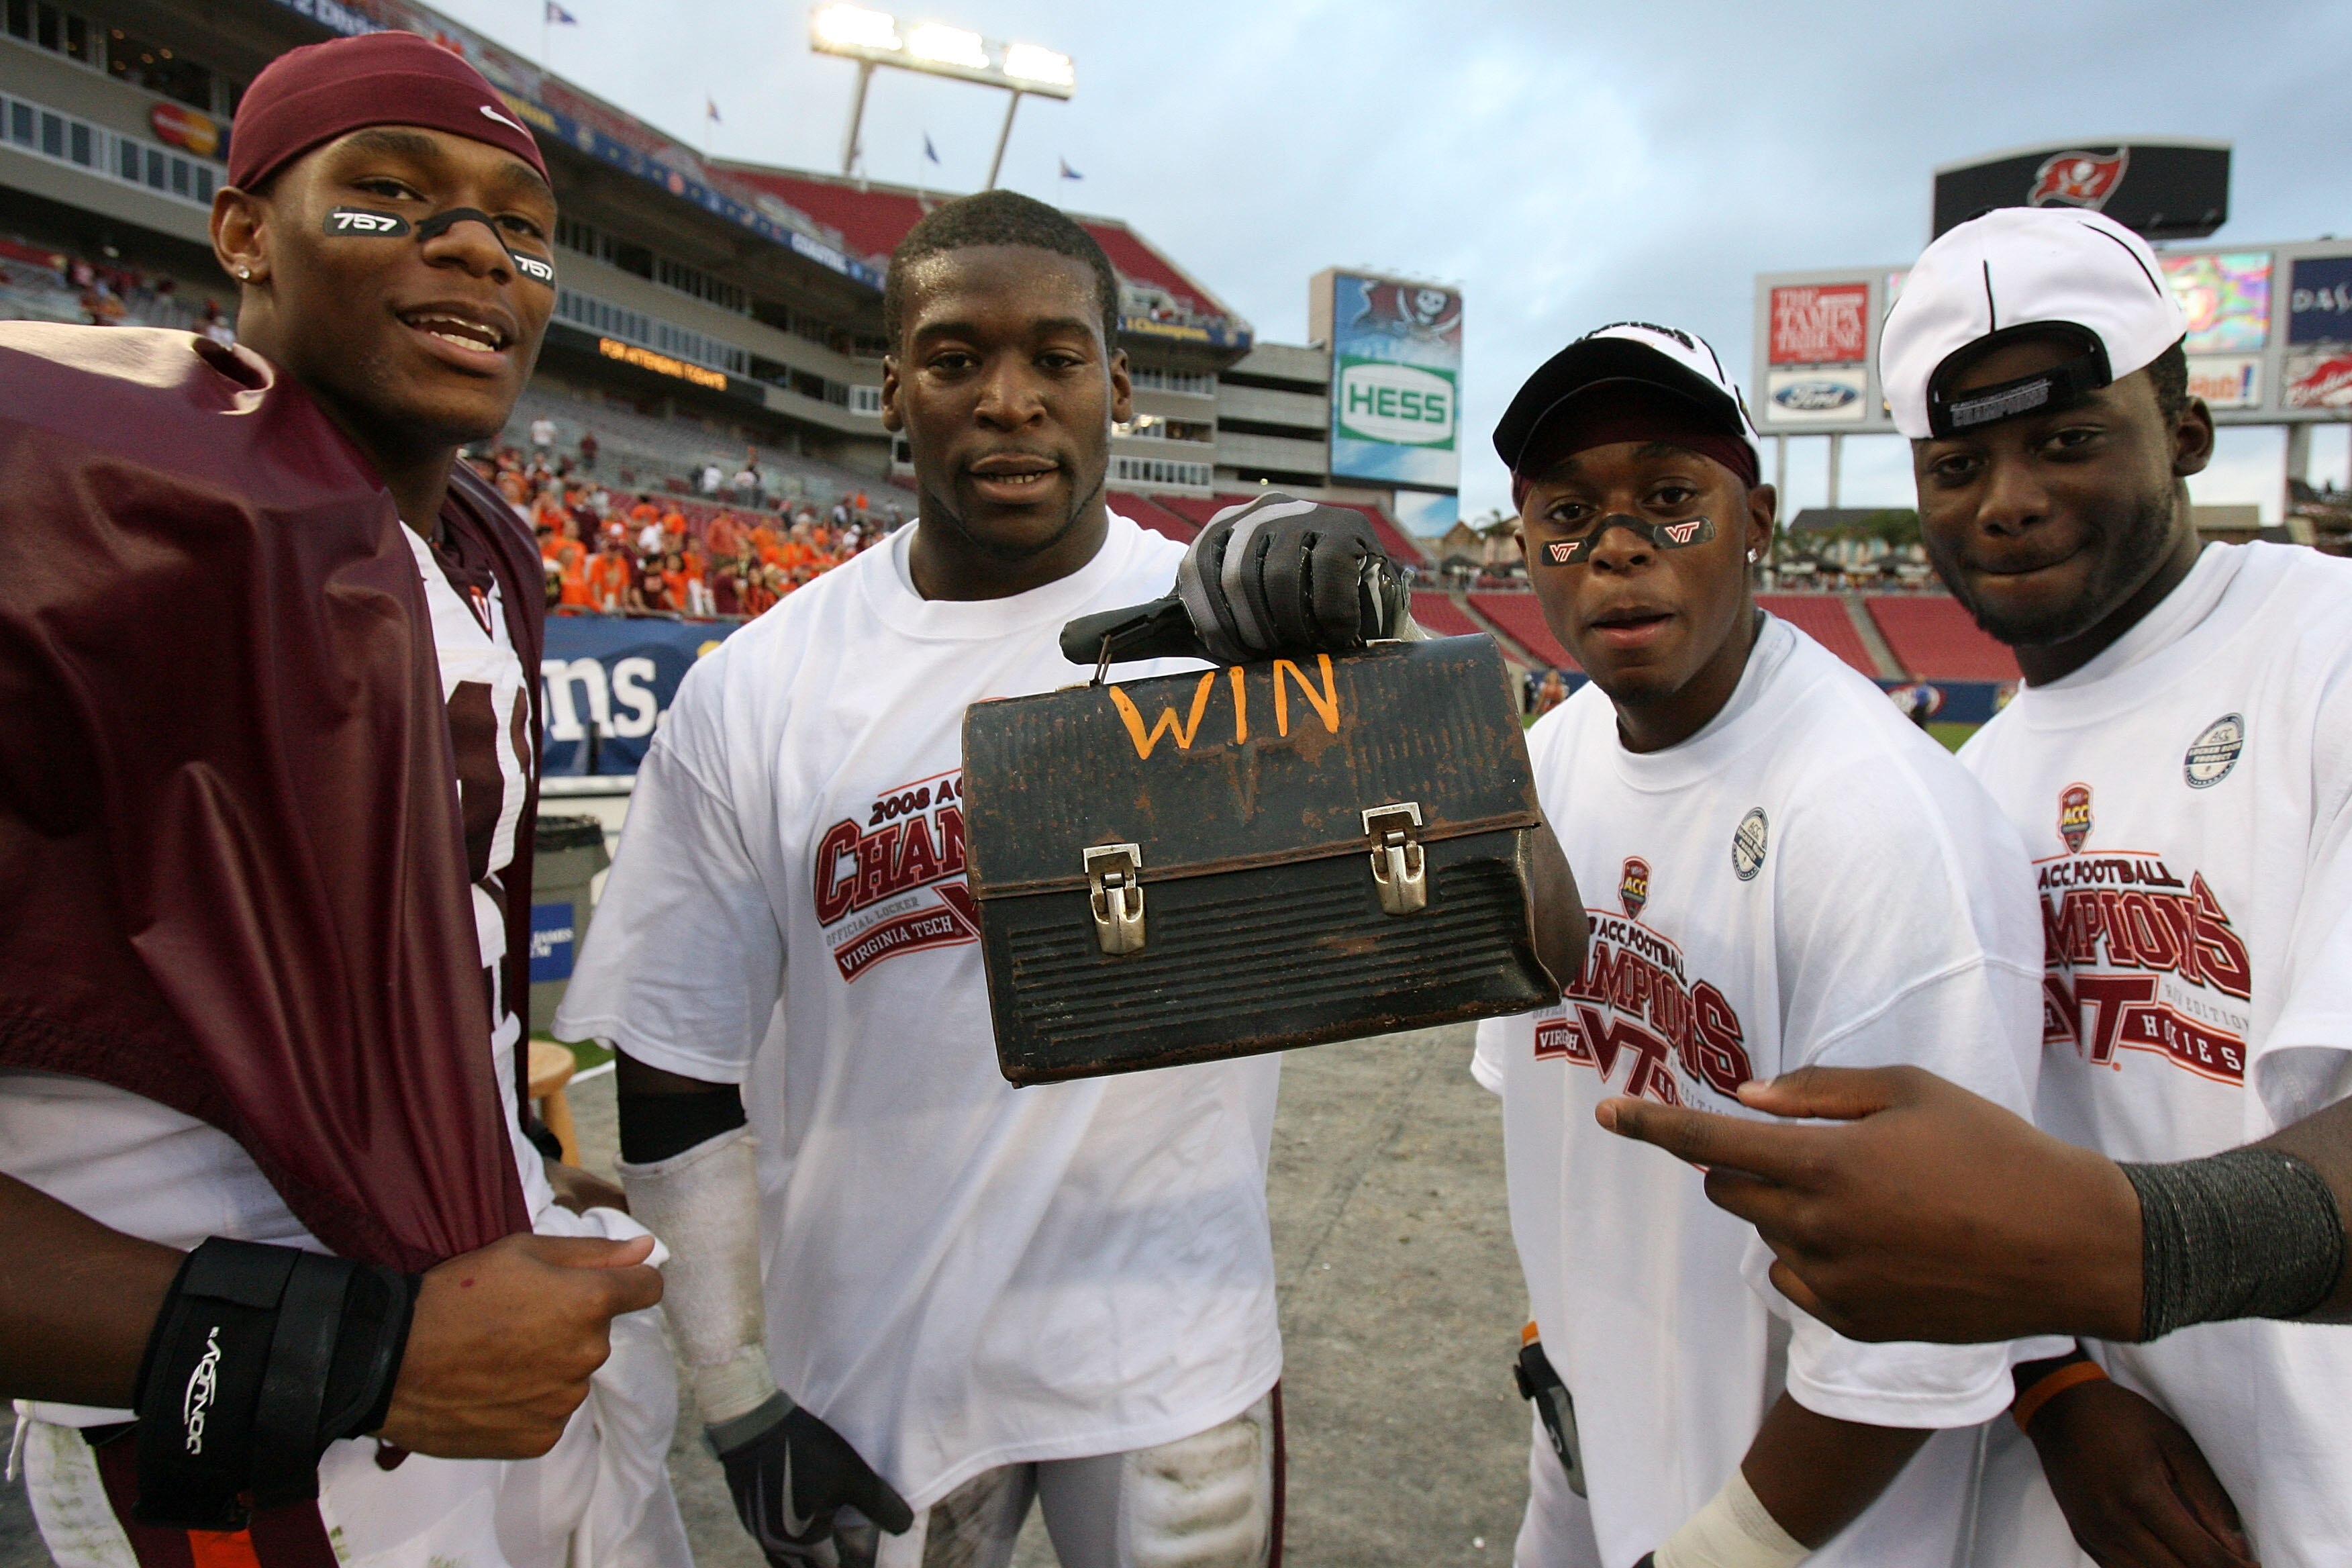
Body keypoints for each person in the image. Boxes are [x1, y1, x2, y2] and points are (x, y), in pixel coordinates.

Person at [554, 189, 1406, 1568]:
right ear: (893, 385)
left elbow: (1456, 916)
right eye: (956, 358)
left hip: (1166, 1347)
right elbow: (672, 1060)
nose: (1008, 399)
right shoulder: (760, 686)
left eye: (1055, 359)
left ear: (1117, 387)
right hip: (874, 1357)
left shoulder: (1239, 624)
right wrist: (734, 1392)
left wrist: (1376, 656)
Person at [0, 30, 687, 1568]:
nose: (473, 247)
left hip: (495, 1342)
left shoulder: (485, 554)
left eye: (522, 225)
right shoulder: (70, 488)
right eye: (388, 195)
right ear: (244, 229)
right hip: (235, 1441)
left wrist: (499, 1128)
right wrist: (355, 1344)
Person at [1600, 208, 2352, 1567]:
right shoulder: (1970, 780)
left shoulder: (2328, 656)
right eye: (1958, 462)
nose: (2006, 496)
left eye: (2068, 439)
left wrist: (2135, 1249)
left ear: (2184, 432)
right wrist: (2062, 1385)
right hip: (2056, 1508)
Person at [1477, 323, 2047, 1568]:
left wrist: (1717, 1550)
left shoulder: (1880, 821)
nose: (1618, 545)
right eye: (1569, 513)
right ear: (1525, 550)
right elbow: (1555, 1117)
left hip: (1803, 1527)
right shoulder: (1545, 764)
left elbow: (1923, 1325)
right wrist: (1562, 1362)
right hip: (1596, 1446)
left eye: (1671, 499)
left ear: (1759, 521)